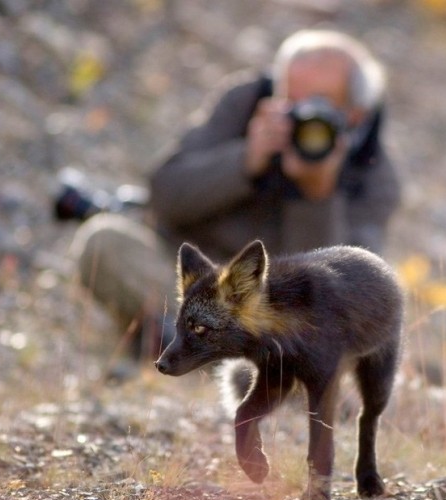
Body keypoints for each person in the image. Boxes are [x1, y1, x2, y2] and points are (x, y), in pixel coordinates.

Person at [69, 28, 401, 359]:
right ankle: (186, 344)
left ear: (355, 113)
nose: (300, 118)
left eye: (317, 107)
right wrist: (245, 160)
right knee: (104, 240)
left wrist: (316, 195)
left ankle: (186, 350)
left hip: (264, 322)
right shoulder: (246, 104)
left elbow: (337, 298)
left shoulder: (374, 178)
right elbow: (165, 195)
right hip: (184, 280)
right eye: (289, 101)